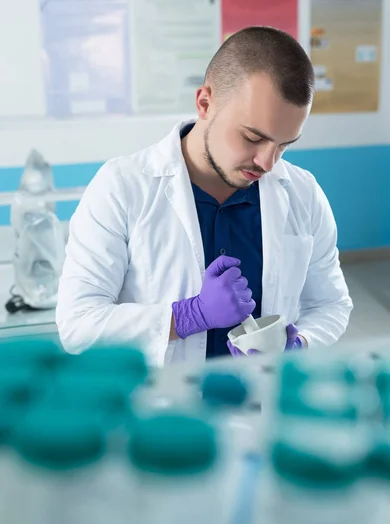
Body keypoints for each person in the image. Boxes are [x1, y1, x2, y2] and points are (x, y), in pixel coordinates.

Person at [56, 26, 352, 366]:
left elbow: (330, 305)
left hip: (261, 405)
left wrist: (301, 343)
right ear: (205, 103)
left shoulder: (303, 193)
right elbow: (78, 326)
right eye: (253, 138)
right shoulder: (121, 187)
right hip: (160, 409)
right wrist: (187, 316)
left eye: (284, 144)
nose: (268, 163)